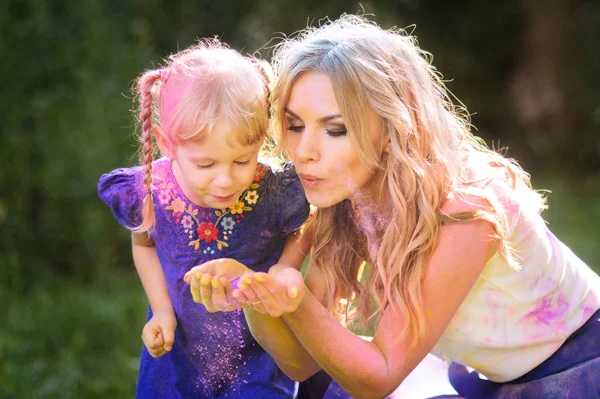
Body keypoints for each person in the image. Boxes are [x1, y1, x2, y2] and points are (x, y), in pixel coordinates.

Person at [187, 15, 600, 399]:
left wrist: (297, 303)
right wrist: (254, 293)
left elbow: (378, 376)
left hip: (580, 371)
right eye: (294, 126)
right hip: (496, 379)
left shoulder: (466, 208)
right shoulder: (347, 197)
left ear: (392, 127)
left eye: (335, 129)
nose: (304, 151)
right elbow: (301, 362)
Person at [98, 38, 313, 398]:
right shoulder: (152, 191)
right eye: (205, 164)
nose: (226, 179)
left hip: (257, 355)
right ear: (168, 144)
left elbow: (304, 229)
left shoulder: (273, 191)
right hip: (178, 353)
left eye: (243, 160)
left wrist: (283, 271)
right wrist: (161, 311)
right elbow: (144, 245)